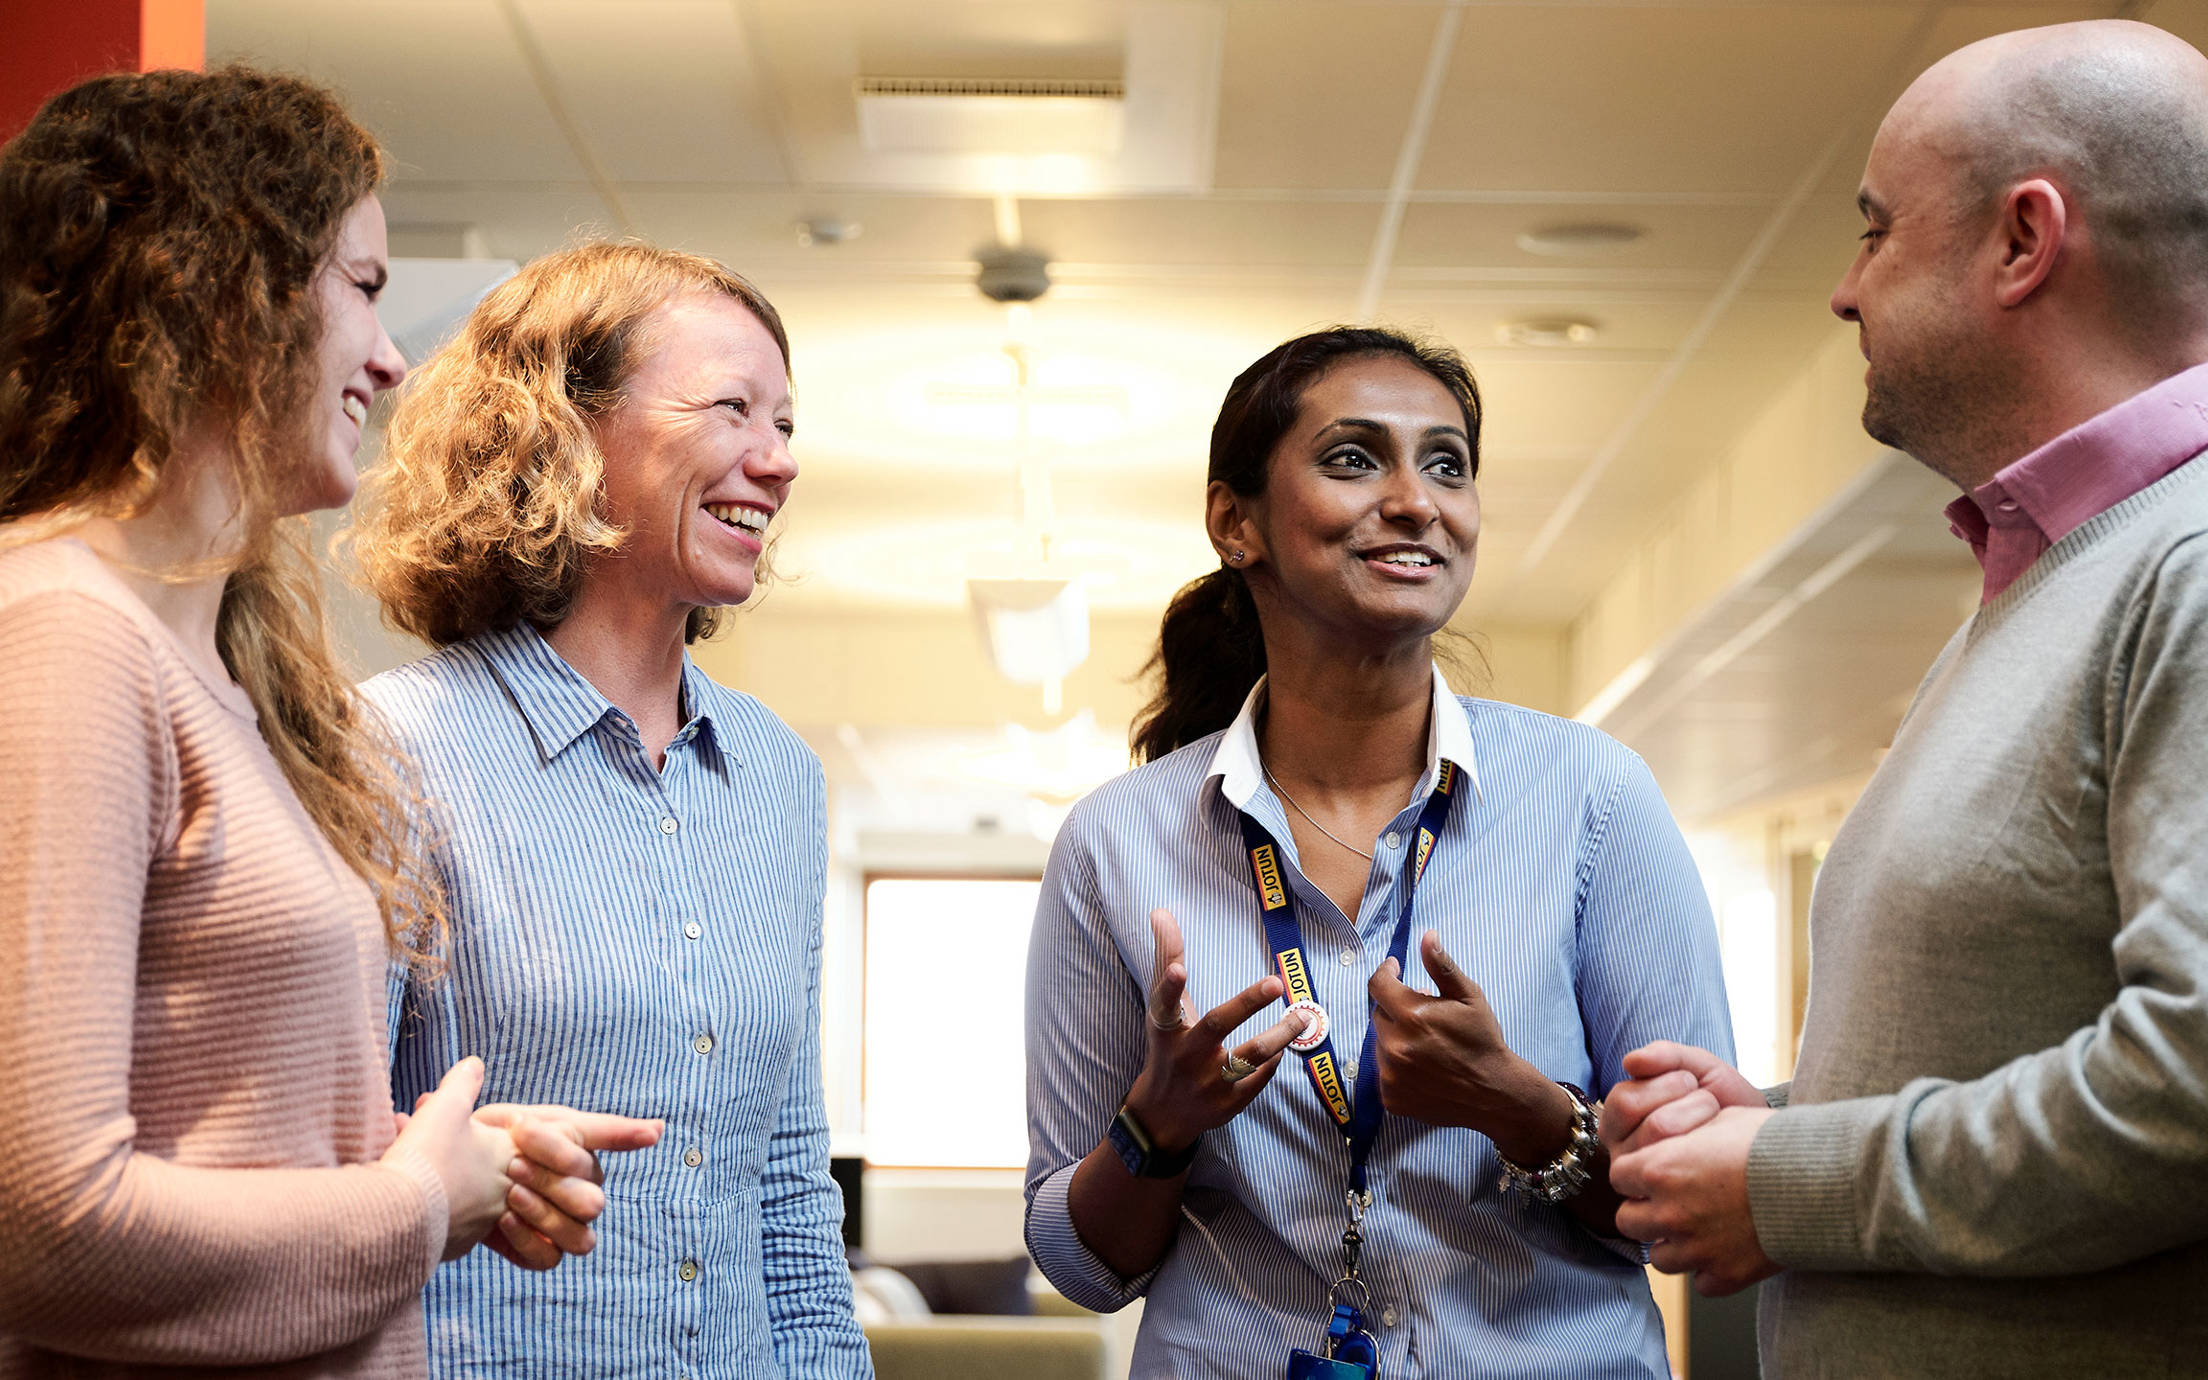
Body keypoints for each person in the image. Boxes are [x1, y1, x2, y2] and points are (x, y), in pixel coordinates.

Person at [0, 67, 652, 1378]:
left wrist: (445, 1163)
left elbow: (215, 1135)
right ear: (217, 289)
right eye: (361, 288)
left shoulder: (228, 676)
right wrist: (417, 1205)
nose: (394, 353)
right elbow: (46, 1226)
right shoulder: (61, 639)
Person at [1601, 18, 2208, 1376]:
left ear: (2023, 240)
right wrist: (1781, 1115)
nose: (1844, 290)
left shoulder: (2191, 565)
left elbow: (2195, 1088)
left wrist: (1794, 1177)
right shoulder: (2046, 577)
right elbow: (2029, 1026)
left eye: (1876, 230)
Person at [1023, 326, 1733, 1378]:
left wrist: (1524, 1111)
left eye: (1447, 464)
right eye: (1355, 459)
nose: (1417, 500)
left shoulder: (1593, 799)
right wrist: (1153, 1129)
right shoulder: (1117, 842)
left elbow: (1701, 1187)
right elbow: (1086, 1266)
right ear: (1236, 522)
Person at [347, 242, 871, 1378]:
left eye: (785, 424)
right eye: (733, 408)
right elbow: (318, 1160)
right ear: (561, 432)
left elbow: (786, 1180)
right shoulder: (390, 749)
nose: (775, 462)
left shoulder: (778, 776)